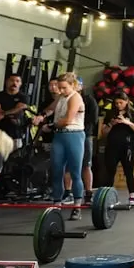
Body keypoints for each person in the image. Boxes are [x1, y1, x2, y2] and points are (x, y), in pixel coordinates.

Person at [46, 73, 86, 219]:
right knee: (56, 170)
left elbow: (68, 119)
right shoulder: (61, 97)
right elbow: (50, 108)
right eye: (59, 87)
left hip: (74, 135)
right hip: (59, 136)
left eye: (64, 88)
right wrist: (41, 116)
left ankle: (77, 207)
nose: (61, 90)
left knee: (75, 172)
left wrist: (49, 125)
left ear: (73, 85)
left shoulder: (75, 97)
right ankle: (57, 204)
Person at [100, 92, 134, 204]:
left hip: (127, 146)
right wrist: (111, 124)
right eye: (116, 103)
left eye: (121, 102)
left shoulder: (133, 113)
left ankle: (132, 196)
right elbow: (103, 132)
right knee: (110, 171)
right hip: (112, 146)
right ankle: (109, 197)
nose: (119, 105)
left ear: (126, 102)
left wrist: (126, 122)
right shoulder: (111, 113)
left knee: (129, 171)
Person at [77, 78, 98, 203]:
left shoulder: (89, 100)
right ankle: (69, 192)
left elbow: (93, 119)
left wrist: (81, 127)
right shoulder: (66, 99)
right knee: (70, 166)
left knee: (86, 164)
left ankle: (88, 192)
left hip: (85, 134)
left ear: (81, 86)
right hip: (71, 134)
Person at [0, 74, 28, 145]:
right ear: (6, 82)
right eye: (12, 80)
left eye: (17, 81)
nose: (14, 83)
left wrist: (3, 114)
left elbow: (19, 109)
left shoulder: (23, 97)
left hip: (15, 132)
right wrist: (11, 114)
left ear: (20, 83)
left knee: (15, 154)